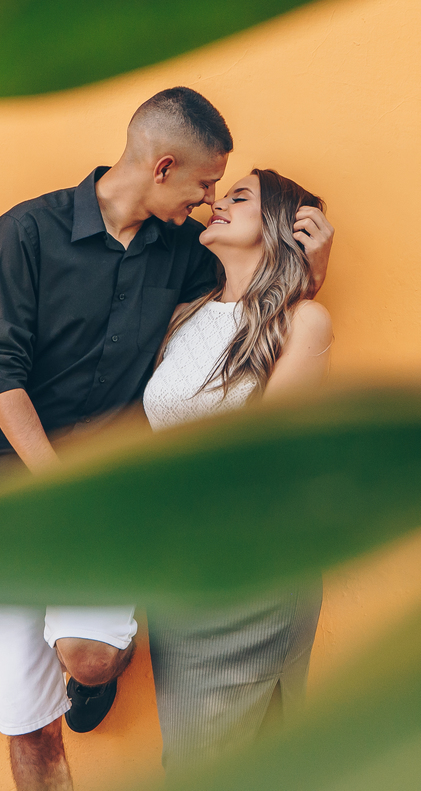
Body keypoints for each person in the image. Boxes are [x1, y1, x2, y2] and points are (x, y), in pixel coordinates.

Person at [0, 88, 334, 791]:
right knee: (27, 724)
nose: (210, 200)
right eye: (205, 183)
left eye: (225, 191)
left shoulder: (186, 254)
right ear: (164, 167)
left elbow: (265, 305)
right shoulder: (27, 231)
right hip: (8, 489)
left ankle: (93, 678)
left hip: (108, 499)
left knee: (89, 657)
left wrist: (312, 266)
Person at [142, 168, 333, 773]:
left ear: (276, 225)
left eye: (239, 197)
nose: (216, 204)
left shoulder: (302, 322)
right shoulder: (184, 319)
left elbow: (264, 457)